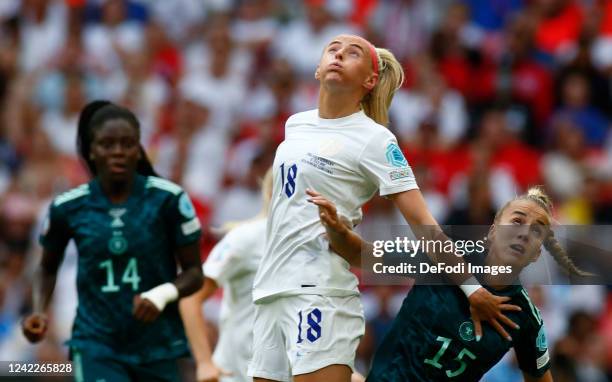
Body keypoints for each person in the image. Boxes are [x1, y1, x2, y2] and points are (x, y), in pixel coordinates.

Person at [248, 34, 518, 382]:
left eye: (353, 52)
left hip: (318, 291)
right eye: (333, 49)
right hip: (270, 290)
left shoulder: (375, 140)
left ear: (370, 80)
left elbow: (424, 223)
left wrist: (472, 288)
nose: (339, 54)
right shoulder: (295, 124)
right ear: (317, 69)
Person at [310, 186, 591, 381]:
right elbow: (363, 255)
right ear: (492, 232)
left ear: (537, 254)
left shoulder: (525, 318)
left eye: (536, 231)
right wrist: (336, 230)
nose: (523, 234)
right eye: (517, 221)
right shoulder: (443, 257)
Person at [21, 101, 204, 382]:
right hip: (96, 344)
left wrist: (160, 295)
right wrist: (38, 310)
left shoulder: (169, 200)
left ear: (138, 148)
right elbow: (46, 267)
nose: (118, 151)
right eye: (107, 144)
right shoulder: (68, 207)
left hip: (157, 345)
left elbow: (194, 273)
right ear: (92, 151)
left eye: (127, 143)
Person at [179, 168, 273, 382]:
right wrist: (204, 362)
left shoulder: (317, 246)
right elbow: (191, 297)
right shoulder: (246, 237)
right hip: (235, 375)